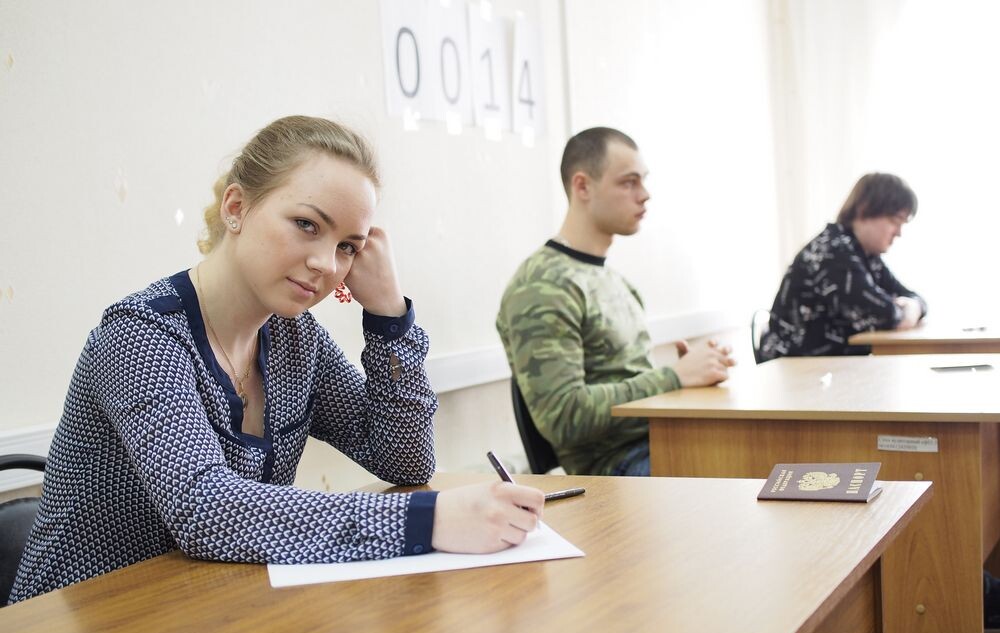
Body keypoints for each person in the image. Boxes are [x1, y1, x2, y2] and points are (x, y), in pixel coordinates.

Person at [9, 115, 543, 604]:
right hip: (78, 628)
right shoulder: (138, 335)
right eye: (307, 224)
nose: (326, 264)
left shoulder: (294, 338)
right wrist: (427, 520)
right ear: (236, 208)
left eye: (348, 246)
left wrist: (388, 317)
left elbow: (404, 460)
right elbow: (206, 509)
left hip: (206, 612)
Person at [496, 127, 735, 477]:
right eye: (629, 182)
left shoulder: (615, 282)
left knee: (775, 457)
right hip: (615, 470)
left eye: (644, 181)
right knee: (762, 472)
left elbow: (627, 381)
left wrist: (689, 379)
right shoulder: (542, 285)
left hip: (656, 443)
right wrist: (672, 379)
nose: (645, 195)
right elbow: (562, 416)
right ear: (582, 187)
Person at [759, 173, 926, 361]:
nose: (899, 232)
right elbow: (885, 315)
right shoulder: (832, 252)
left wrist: (913, 306)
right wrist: (908, 310)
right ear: (865, 209)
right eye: (895, 221)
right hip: (793, 367)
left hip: (827, 367)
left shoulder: (864, 255)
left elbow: (913, 298)